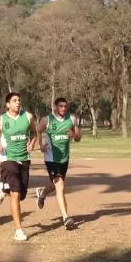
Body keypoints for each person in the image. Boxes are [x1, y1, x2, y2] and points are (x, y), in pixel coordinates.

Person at [0, 92, 37, 241]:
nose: (18, 102)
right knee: (15, 193)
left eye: (19, 100)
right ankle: (18, 230)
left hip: (24, 158)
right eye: (14, 100)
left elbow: (34, 132)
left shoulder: (28, 117)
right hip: (7, 158)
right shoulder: (1, 120)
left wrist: (32, 142)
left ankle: (3, 188)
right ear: (8, 104)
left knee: (21, 195)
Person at [35, 97, 82, 229]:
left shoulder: (72, 119)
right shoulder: (47, 120)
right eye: (61, 106)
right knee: (60, 185)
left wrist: (74, 134)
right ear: (55, 107)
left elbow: (78, 138)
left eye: (65, 106)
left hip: (64, 159)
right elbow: (38, 130)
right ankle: (66, 217)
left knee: (56, 184)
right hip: (51, 158)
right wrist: (41, 144)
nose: (63, 108)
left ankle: (42, 193)